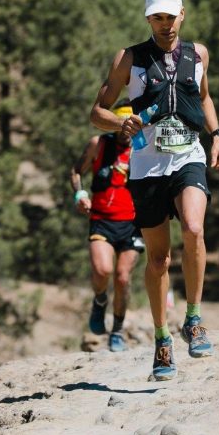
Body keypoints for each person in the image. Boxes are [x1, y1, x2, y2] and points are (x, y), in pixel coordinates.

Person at [90, 0, 219, 381]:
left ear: (182, 14)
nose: (165, 24)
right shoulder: (129, 59)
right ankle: (162, 339)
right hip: (148, 165)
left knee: (194, 228)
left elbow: (203, 97)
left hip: (189, 155)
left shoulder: (198, 54)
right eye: (157, 17)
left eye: (171, 16)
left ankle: (194, 318)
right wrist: (121, 122)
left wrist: (218, 136)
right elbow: (96, 111)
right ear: (149, 19)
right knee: (158, 260)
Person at [69, 101, 145, 352]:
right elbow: (76, 171)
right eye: (120, 126)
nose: (125, 132)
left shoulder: (143, 150)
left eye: (129, 127)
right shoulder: (98, 145)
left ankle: (118, 330)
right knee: (102, 271)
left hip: (133, 224)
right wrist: (79, 195)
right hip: (101, 219)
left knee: (123, 277)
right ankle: (100, 300)